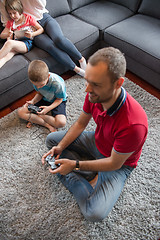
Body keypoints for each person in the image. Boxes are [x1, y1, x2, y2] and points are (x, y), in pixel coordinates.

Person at [41, 47, 148, 222]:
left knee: (94, 213)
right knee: (52, 141)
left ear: (118, 83)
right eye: (87, 80)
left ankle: (76, 174)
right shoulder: (94, 95)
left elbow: (114, 162)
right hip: (97, 141)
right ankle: (87, 174)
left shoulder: (134, 124)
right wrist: (60, 147)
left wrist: (75, 165)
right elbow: (81, 123)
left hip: (118, 164)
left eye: (96, 84)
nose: (87, 89)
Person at [0, 0, 87, 76]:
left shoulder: (29, 14)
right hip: (32, 30)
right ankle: (76, 69)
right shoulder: (8, 4)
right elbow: (7, 20)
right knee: (50, 47)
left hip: (43, 19)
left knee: (58, 39)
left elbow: (41, 5)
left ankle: (81, 59)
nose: (12, 15)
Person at [18, 60, 67, 132]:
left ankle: (36, 117)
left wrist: (48, 108)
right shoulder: (37, 82)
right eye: (36, 85)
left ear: (48, 76)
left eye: (41, 85)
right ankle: (48, 125)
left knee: (61, 123)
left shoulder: (57, 83)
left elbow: (59, 99)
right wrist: (33, 101)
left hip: (57, 100)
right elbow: (40, 93)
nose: (39, 87)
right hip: (44, 98)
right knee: (20, 112)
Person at [0, 0, 44, 68]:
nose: (12, 16)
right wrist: (8, 34)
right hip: (16, 44)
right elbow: (1, 35)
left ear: (19, 10)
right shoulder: (11, 23)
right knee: (6, 57)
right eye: (10, 13)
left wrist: (32, 34)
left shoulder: (28, 18)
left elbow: (41, 29)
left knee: (9, 43)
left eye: (14, 13)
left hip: (26, 43)